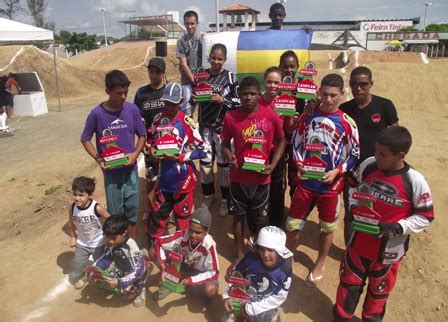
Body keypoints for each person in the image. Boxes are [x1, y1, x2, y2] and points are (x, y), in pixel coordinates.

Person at [333, 126, 434, 321]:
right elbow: (353, 185)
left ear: (400, 155)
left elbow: (426, 216)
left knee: (377, 297)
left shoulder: (415, 180)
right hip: (358, 244)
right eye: (376, 150)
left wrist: (399, 227)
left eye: (383, 154)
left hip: (388, 254)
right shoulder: (369, 164)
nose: (376, 156)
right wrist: (354, 206)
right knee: (347, 286)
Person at [286, 74, 359, 287]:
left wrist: (337, 171)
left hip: (331, 185)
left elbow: (354, 154)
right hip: (306, 182)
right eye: (325, 94)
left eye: (333, 95)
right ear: (319, 92)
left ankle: (320, 263)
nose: (328, 100)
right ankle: (289, 257)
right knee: (292, 224)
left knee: (327, 227)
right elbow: (296, 143)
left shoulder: (347, 123)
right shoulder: (307, 116)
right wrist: (299, 164)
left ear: (342, 95)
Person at [221, 76, 286, 261]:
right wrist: (229, 156)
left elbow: (281, 140)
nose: (247, 97)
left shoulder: (270, 115)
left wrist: (273, 164)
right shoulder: (230, 117)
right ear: (239, 95)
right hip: (238, 178)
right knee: (239, 216)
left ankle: (260, 252)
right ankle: (239, 253)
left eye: (252, 94)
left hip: (261, 178)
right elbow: (224, 142)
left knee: (261, 219)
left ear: (259, 94)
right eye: (244, 94)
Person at [81, 70, 146, 239]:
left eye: (126, 92)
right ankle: (118, 246)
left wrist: (135, 154)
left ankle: (131, 245)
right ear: (107, 91)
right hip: (111, 174)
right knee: (115, 214)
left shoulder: (132, 109)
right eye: (119, 93)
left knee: (132, 210)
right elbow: (85, 138)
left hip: (130, 171)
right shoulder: (97, 114)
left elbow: (142, 135)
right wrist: (98, 159)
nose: (123, 96)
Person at [145, 82, 211, 249]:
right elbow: (151, 141)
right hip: (164, 180)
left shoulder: (187, 122)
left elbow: (205, 149)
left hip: (183, 181)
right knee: (158, 216)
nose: (170, 106)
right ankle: (154, 249)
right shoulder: (158, 119)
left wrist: (180, 157)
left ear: (181, 101)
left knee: (183, 218)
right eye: (167, 102)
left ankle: (182, 251)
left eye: (174, 103)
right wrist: (152, 149)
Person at [340, 66, 399, 244]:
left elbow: (396, 136)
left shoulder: (385, 105)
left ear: (371, 84)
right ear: (349, 85)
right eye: (355, 84)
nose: (359, 88)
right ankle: (350, 249)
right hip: (352, 171)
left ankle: (373, 247)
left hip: (379, 172)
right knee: (352, 212)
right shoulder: (344, 109)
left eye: (363, 84)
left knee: (378, 213)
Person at [196, 43, 240, 216]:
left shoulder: (230, 77)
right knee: (205, 163)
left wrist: (224, 100)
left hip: (222, 129)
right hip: (205, 127)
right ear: (209, 57)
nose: (216, 62)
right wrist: (195, 96)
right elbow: (194, 96)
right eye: (213, 58)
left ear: (225, 59)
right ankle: (208, 195)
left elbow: (239, 101)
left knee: (223, 165)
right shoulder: (202, 75)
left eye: (220, 58)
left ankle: (225, 199)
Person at [223, 226, 292, 322]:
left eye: (270, 250)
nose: (265, 254)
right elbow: (236, 278)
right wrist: (229, 297)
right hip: (242, 299)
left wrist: (249, 309)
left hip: (262, 304)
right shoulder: (251, 258)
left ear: (279, 251)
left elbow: (279, 296)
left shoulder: (284, 270)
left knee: (271, 319)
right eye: (262, 249)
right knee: (230, 316)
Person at [152, 207, 219, 302]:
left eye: (198, 232)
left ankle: (200, 292)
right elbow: (158, 242)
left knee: (210, 289)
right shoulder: (182, 235)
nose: (192, 235)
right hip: (184, 266)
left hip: (201, 272)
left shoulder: (209, 246)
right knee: (152, 252)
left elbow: (214, 272)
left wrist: (191, 280)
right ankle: (170, 282)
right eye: (191, 230)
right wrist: (163, 266)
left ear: (207, 231)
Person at [90, 215, 147, 307]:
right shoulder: (113, 243)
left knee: (126, 292)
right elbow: (106, 257)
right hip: (122, 269)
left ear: (124, 233)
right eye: (108, 237)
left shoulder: (131, 247)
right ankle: (121, 283)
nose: (110, 241)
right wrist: (95, 269)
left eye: (113, 238)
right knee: (101, 277)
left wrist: (120, 282)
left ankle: (141, 288)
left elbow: (138, 271)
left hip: (137, 273)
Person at [68, 176, 110, 289]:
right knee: (78, 264)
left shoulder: (96, 208)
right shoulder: (72, 208)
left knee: (101, 266)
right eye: (75, 194)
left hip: (98, 244)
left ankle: (101, 280)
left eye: (81, 195)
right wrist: (72, 236)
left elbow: (110, 219)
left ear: (89, 194)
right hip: (82, 243)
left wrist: (108, 237)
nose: (77, 198)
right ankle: (75, 278)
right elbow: (71, 223)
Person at [258, 66, 287, 228]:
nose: (273, 86)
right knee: (260, 188)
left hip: (278, 152)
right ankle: (259, 226)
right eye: (269, 82)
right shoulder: (257, 102)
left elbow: (288, 129)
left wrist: (291, 119)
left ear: (282, 84)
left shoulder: (286, 103)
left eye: (277, 82)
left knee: (277, 189)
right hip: (260, 152)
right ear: (264, 82)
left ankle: (276, 226)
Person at [134, 57, 166, 200]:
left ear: (163, 73)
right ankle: (150, 208)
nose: (154, 75)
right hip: (149, 142)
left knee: (168, 175)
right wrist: (143, 140)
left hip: (167, 141)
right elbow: (137, 118)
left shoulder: (168, 91)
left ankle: (167, 207)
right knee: (151, 178)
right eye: (151, 71)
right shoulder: (141, 93)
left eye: (157, 72)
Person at [279, 50, 306, 201]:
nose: (289, 70)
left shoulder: (305, 87)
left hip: (298, 141)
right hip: (280, 140)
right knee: (279, 179)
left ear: (297, 67)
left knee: (296, 179)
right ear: (280, 67)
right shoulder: (277, 87)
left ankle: (295, 213)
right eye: (285, 66)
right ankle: (278, 213)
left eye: (292, 66)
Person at [177, 10, 202, 117]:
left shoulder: (202, 40)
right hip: (187, 80)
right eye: (187, 23)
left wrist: (199, 81)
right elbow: (183, 64)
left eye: (192, 23)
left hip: (202, 79)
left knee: (203, 106)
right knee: (187, 109)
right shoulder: (181, 42)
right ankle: (187, 132)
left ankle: (200, 131)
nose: (190, 26)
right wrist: (193, 80)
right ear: (184, 24)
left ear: (197, 23)